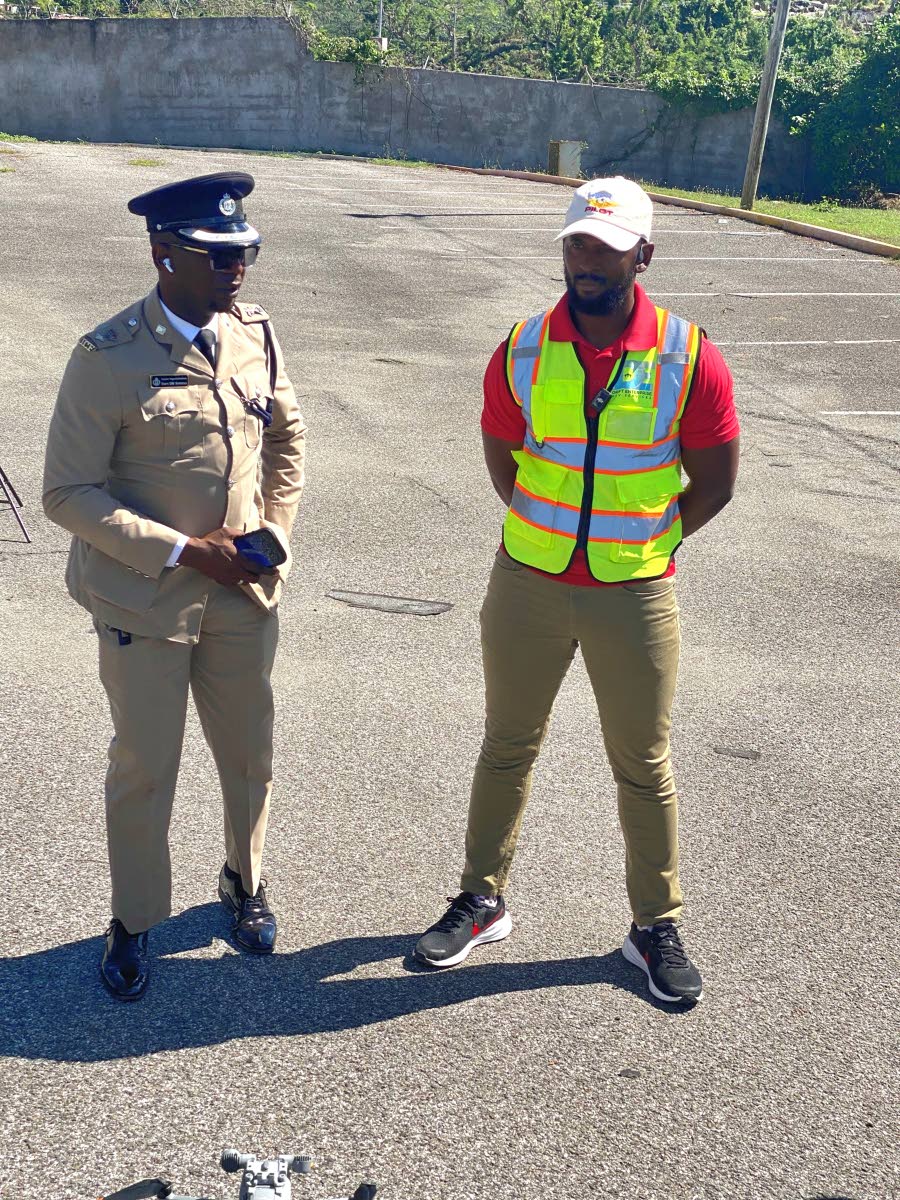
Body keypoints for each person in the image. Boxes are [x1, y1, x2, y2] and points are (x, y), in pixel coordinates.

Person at [414, 177, 739, 1005]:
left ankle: (652, 926)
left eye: (604, 244)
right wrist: (548, 533)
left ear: (644, 253)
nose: (585, 258)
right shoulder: (523, 345)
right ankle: (482, 899)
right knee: (507, 744)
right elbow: (501, 450)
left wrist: (647, 541)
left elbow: (716, 480)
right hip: (528, 580)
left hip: (634, 592)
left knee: (644, 763)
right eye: (575, 242)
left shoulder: (687, 354)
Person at [43, 172, 307, 1000]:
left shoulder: (254, 333)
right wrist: (187, 552)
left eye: (247, 251)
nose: (239, 268)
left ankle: (244, 881)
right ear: (163, 254)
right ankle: (134, 920)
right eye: (218, 254)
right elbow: (67, 494)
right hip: (144, 602)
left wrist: (275, 539)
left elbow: (288, 440)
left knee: (249, 756)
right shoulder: (107, 357)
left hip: (242, 598)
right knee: (145, 767)